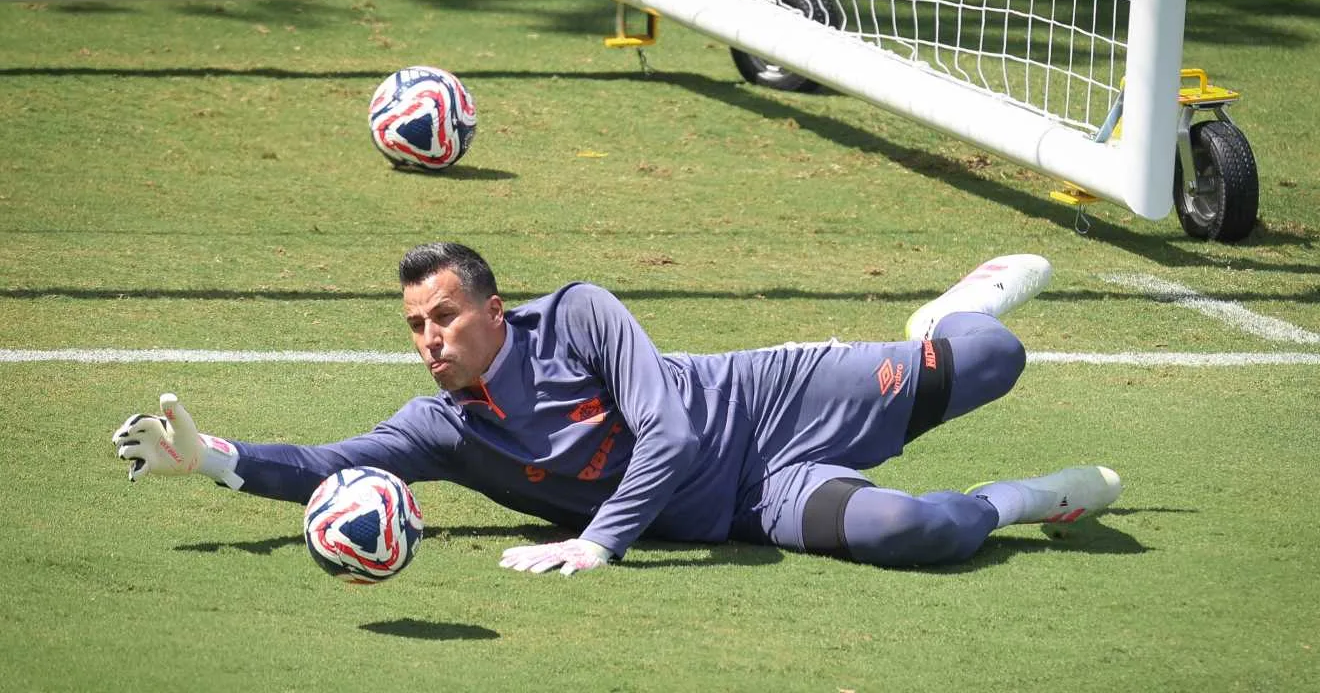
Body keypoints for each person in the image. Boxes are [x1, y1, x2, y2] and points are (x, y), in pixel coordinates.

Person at [112, 242, 1121, 576]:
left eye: (445, 317)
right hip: (750, 506)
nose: (429, 339)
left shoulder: (581, 316)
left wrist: (597, 546)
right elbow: (328, 465)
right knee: (921, 531)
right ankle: (1033, 499)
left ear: (493, 312)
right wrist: (212, 458)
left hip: (765, 401)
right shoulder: (443, 430)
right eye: (415, 325)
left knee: (996, 354)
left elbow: (674, 431)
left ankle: (947, 311)